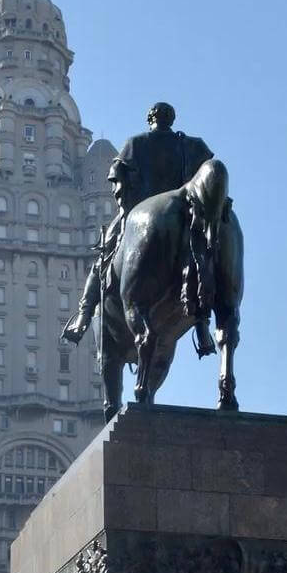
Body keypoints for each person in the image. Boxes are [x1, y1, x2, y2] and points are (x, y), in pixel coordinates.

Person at [63, 102, 218, 407]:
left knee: (104, 255)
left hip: (142, 213)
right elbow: (208, 177)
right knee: (203, 254)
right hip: (188, 215)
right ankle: (202, 324)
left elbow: (118, 181)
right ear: (171, 121)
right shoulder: (191, 145)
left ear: (151, 120)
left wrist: (125, 210)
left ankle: (83, 315)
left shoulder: (137, 143)